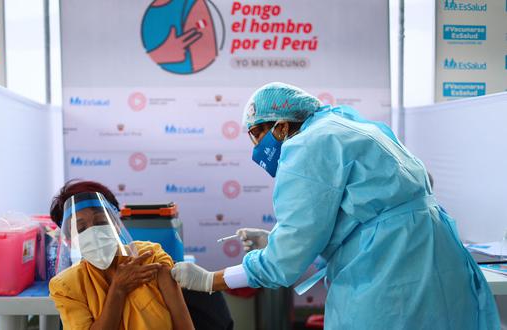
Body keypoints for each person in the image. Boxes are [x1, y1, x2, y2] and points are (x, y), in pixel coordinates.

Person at [171, 82, 501, 329]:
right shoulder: (344, 127)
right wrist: (276, 239)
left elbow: (284, 264)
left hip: (392, 275)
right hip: (429, 257)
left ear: (282, 126)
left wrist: (208, 280)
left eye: (257, 135)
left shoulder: (306, 146)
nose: (256, 148)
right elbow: (363, 213)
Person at [48, 181, 194, 330]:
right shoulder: (67, 286)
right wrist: (118, 289)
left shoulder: (150, 257)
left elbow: (184, 326)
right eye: (81, 228)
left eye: (101, 221)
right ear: (69, 240)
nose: (93, 233)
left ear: (117, 223)